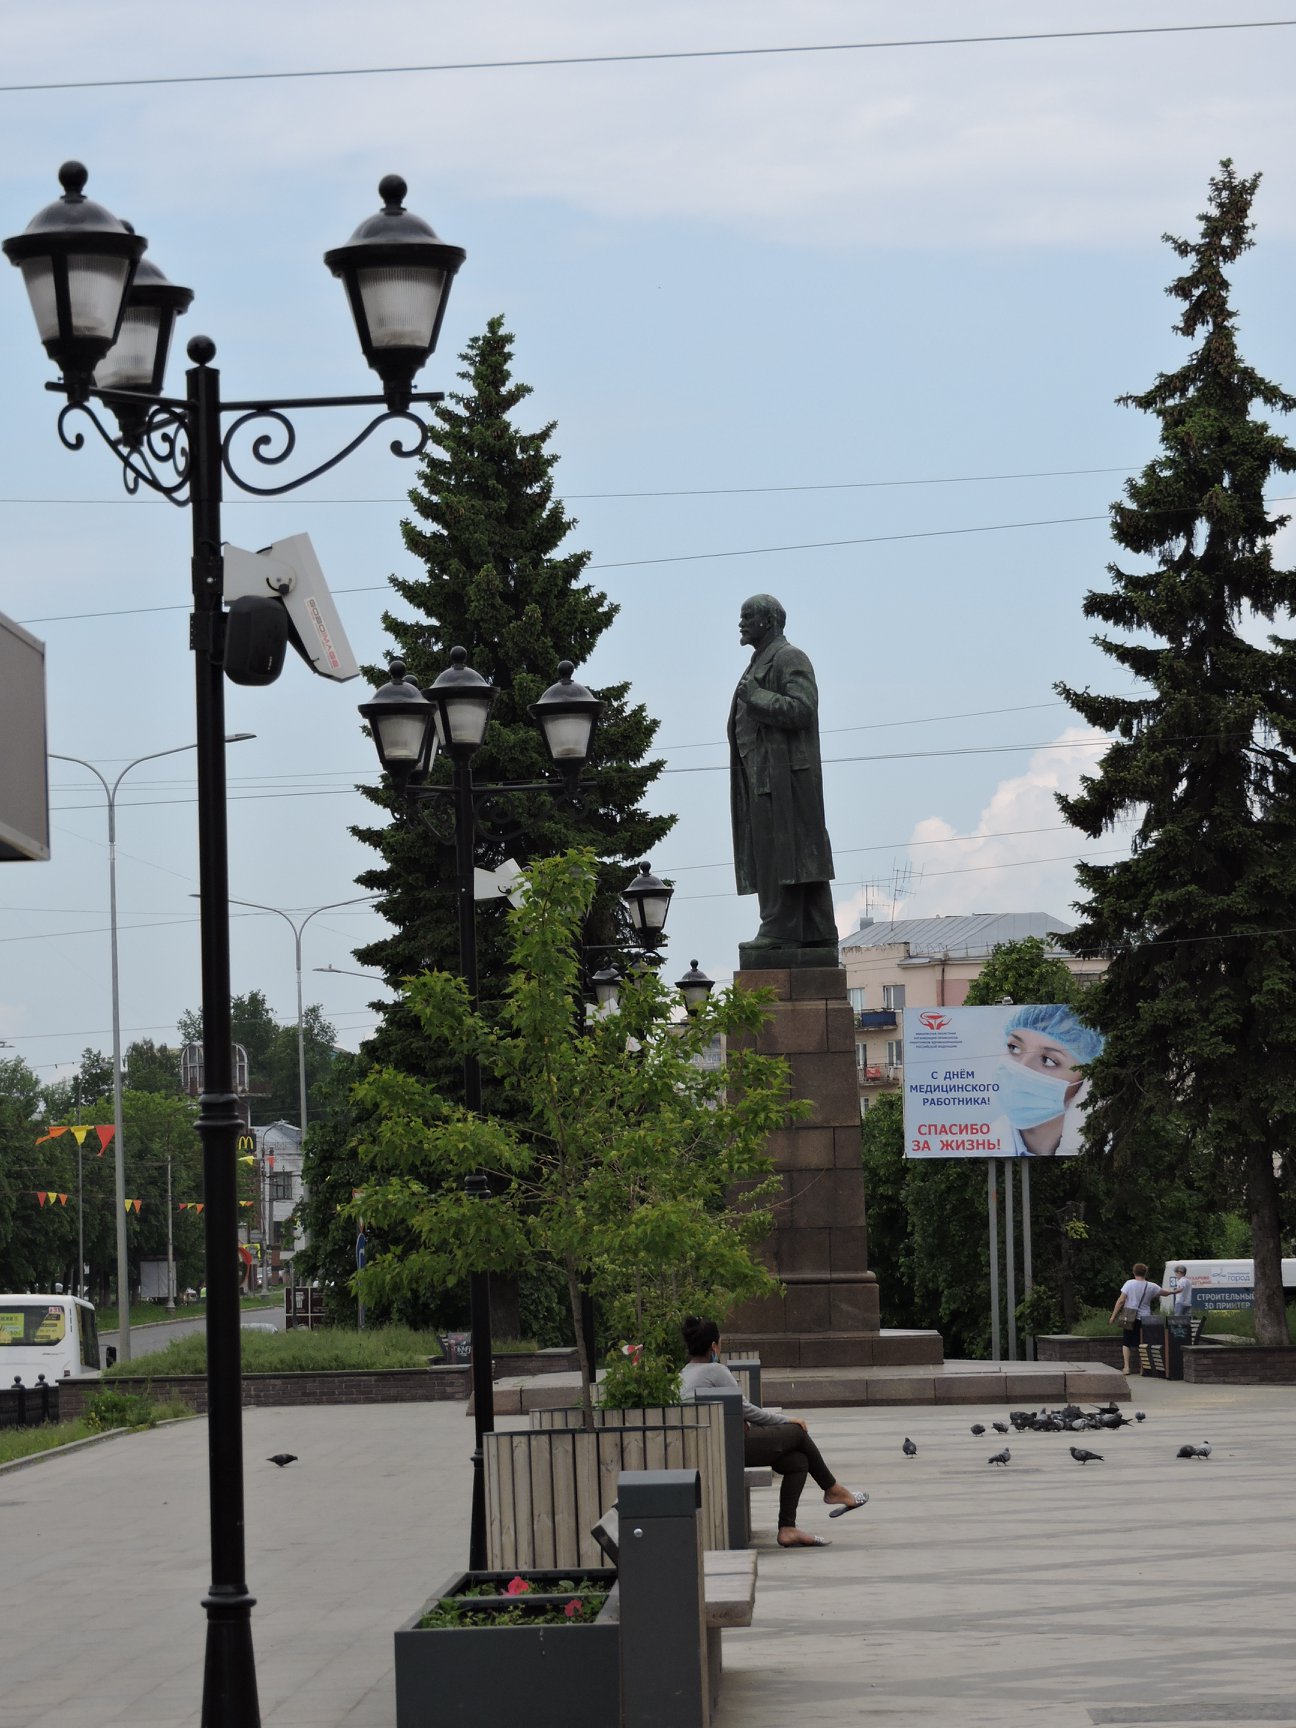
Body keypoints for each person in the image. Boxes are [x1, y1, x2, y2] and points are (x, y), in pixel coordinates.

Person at [679, 1316, 868, 1547]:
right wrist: (789, 1419)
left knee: (797, 1462)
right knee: (797, 1432)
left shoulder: (683, 1374)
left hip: (712, 1446)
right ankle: (832, 1489)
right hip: (730, 1447)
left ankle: (787, 1528)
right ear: (714, 1347)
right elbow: (748, 1410)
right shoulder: (715, 1370)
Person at [728, 595, 837, 954]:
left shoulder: (789, 657)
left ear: (770, 621)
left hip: (784, 779)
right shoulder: (759, 660)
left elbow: (803, 709)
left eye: (749, 617)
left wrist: (757, 697)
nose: (741, 623)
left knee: (784, 854)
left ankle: (780, 929)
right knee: (780, 854)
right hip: (762, 776)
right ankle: (815, 928)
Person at [991, 1003, 1103, 1157]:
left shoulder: (1112, 1153)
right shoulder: (968, 1148)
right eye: (1014, 1048)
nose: (1022, 1067)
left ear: (1087, 1080)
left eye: (1048, 1060)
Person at [1110, 1262, 1164, 1377]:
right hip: (1145, 1318)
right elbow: (1165, 1293)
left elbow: (1121, 1301)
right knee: (1143, 1343)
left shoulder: (1129, 1283)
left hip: (1129, 1316)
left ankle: (1126, 1367)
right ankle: (1143, 1368)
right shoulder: (1151, 1286)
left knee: (1126, 1342)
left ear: (1134, 1272)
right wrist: (1176, 1291)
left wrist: (1113, 1316)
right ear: (1145, 1273)